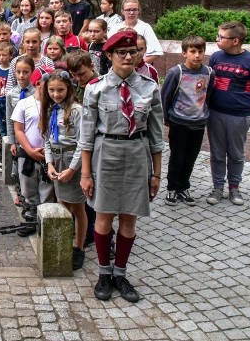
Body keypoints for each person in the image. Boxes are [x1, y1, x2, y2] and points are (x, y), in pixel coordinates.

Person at [78, 29, 165, 303]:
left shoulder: (149, 88)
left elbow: (156, 135)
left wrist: (156, 174)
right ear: (110, 56)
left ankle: (120, 273)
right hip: (107, 152)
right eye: (121, 53)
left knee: (129, 218)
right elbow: (86, 135)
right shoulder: (95, 88)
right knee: (103, 218)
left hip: (137, 153)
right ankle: (104, 273)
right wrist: (85, 173)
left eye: (133, 52)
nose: (128, 57)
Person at [206, 21, 250, 206]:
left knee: (235, 153)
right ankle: (217, 187)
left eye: (221, 37)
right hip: (215, 112)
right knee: (217, 153)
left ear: (235, 41)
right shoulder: (216, 58)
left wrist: (240, 101)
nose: (217, 40)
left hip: (239, 116)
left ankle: (234, 187)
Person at [160, 35, 213, 207]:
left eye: (200, 51)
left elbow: (208, 95)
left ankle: (184, 186)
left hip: (198, 122)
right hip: (179, 122)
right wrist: (167, 118)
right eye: (193, 51)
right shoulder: (177, 72)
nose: (197, 55)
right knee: (177, 156)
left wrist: (205, 114)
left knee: (191, 157)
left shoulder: (209, 72)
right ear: (184, 53)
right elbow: (165, 96)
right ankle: (172, 187)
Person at [42, 69, 86, 271]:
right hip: (57, 160)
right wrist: (49, 163)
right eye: (51, 90)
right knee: (62, 203)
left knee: (77, 207)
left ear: (68, 88)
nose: (56, 94)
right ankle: (65, 240)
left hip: (72, 160)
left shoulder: (76, 110)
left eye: (60, 90)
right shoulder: (51, 109)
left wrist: (72, 168)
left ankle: (79, 247)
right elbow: (48, 140)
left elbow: (82, 143)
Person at [11, 65, 54, 221]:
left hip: (47, 155)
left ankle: (46, 219)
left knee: (47, 188)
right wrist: (29, 150)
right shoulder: (24, 104)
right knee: (28, 187)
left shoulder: (55, 105)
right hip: (28, 153)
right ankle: (30, 214)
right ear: (38, 83)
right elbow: (19, 130)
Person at [65, 50, 99, 247]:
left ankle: (93, 231)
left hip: (93, 145)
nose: (78, 78)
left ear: (91, 67)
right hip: (81, 142)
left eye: (81, 74)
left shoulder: (97, 86)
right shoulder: (80, 85)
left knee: (92, 192)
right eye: (75, 75)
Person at [5, 55, 35, 196]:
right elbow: (9, 118)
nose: (22, 76)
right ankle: (20, 194)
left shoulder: (36, 93)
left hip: (32, 135)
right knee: (17, 167)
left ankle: (30, 197)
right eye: (18, 72)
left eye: (25, 72)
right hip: (18, 137)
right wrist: (12, 141)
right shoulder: (11, 94)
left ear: (32, 72)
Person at [108, 0, 162, 65]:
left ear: (138, 11)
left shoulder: (145, 27)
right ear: (122, 11)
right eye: (128, 10)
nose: (131, 12)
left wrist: (136, 66)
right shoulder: (115, 28)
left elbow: (155, 53)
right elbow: (109, 50)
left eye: (134, 10)